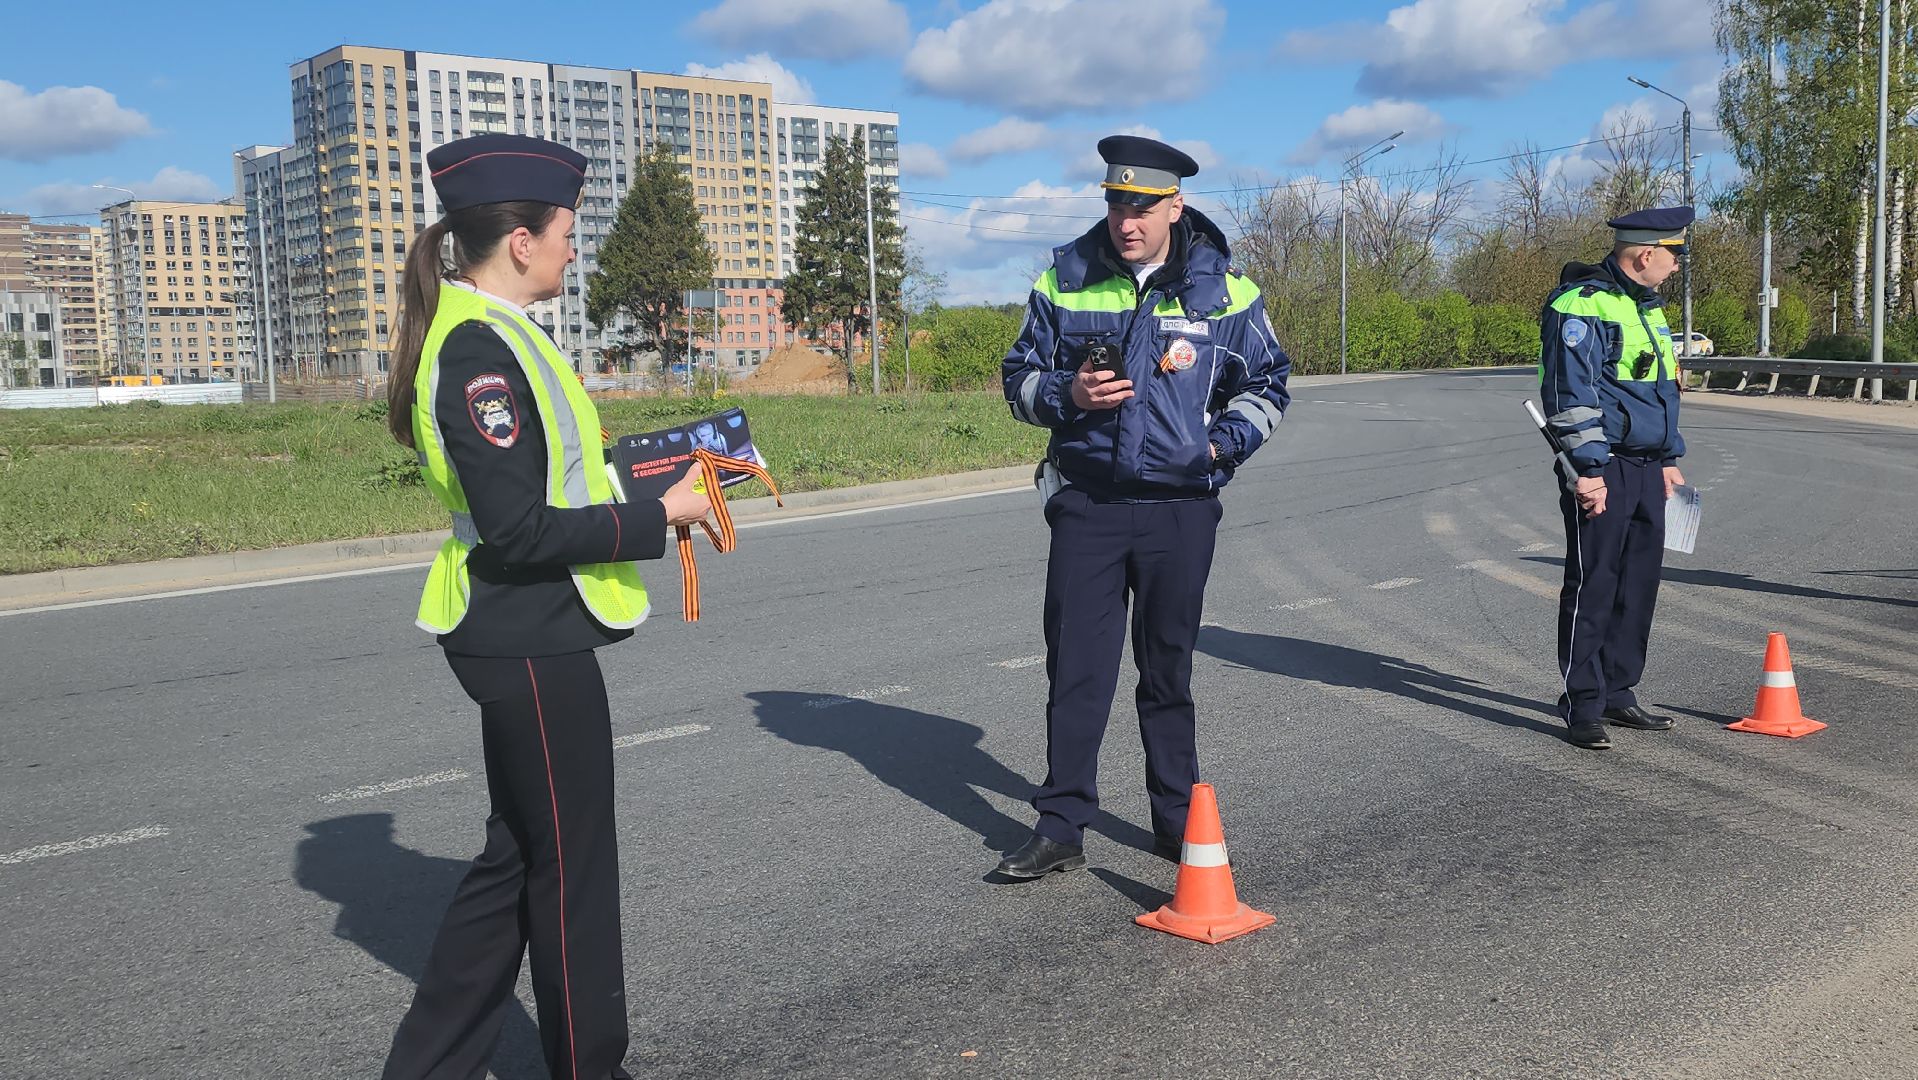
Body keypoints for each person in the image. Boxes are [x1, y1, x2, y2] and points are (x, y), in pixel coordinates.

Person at [379, 133, 710, 1079]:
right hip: (524, 631)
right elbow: (521, 529)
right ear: (519, 240)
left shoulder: (502, 333)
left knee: (519, 856)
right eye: (567, 232)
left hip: (522, 627)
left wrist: (652, 479)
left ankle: (431, 1065)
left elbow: (554, 480)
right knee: (571, 872)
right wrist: (655, 517)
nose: (576, 248)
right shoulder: (479, 352)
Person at [994, 135, 1291, 878]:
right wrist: (1068, 394)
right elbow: (1017, 377)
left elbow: (1269, 384)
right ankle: (1061, 825)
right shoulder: (1064, 277)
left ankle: (1175, 821)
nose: (1127, 221)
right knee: (1078, 673)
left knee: (1167, 671)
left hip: (1180, 512)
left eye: (1143, 207)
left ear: (1174, 206)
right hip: (1089, 506)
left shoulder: (1227, 290)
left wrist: (1217, 449)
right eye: (1117, 204)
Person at [1538, 205, 1692, 750]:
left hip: (1649, 466)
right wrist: (1588, 469)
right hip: (1603, 466)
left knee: (1638, 583)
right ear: (1645, 254)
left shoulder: (1647, 307)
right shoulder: (1580, 306)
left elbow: (1662, 388)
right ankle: (1581, 702)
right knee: (1594, 582)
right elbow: (1569, 394)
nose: (1678, 266)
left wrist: (1669, 457)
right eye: (1675, 255)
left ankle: (1618, 691)